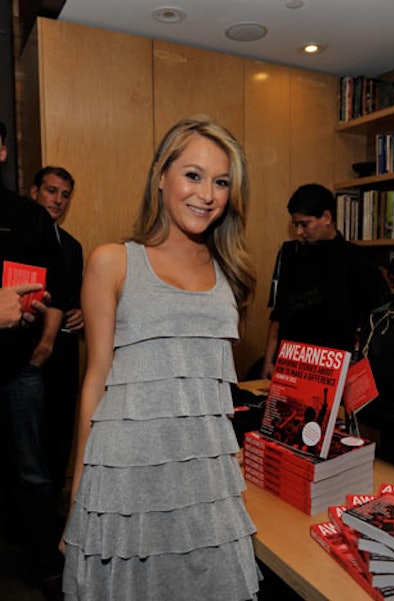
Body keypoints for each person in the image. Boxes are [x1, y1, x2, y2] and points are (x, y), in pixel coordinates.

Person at [62, 115, 260, 600]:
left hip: (203, 483)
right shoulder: (112, 261)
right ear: (161, 177)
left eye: (221, 182)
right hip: (126, 481)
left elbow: (212, 389)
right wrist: (77, 498)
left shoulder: (231, 274)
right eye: (193, 175)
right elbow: (96, 381)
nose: (207, 194)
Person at [0, 121, 66, 600]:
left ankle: (46, 564)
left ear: (3, 150)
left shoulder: (28, 217)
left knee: (32, 471)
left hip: (19, 370)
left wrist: (43, 344)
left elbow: (56, 291)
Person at [261, 183, 391, 379]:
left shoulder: (356, 259)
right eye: (295, 225)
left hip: (334, 367)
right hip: (290, 364)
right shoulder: (289, 254)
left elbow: (380, 317)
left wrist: (357, 359)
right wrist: (269, 362)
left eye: (304, 224)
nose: (299, 232)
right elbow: (278, 315)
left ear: (327, 218)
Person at [30, 166, 84, 502]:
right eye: (52, 191)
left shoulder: (73, 247)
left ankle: (51, 518)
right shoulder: (12, 237)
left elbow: (74, 298)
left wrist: (82, 314)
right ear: (34, 192)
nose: (59, 200)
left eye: (65, 195)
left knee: (59, 434)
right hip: (23, 354)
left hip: (63, 356)